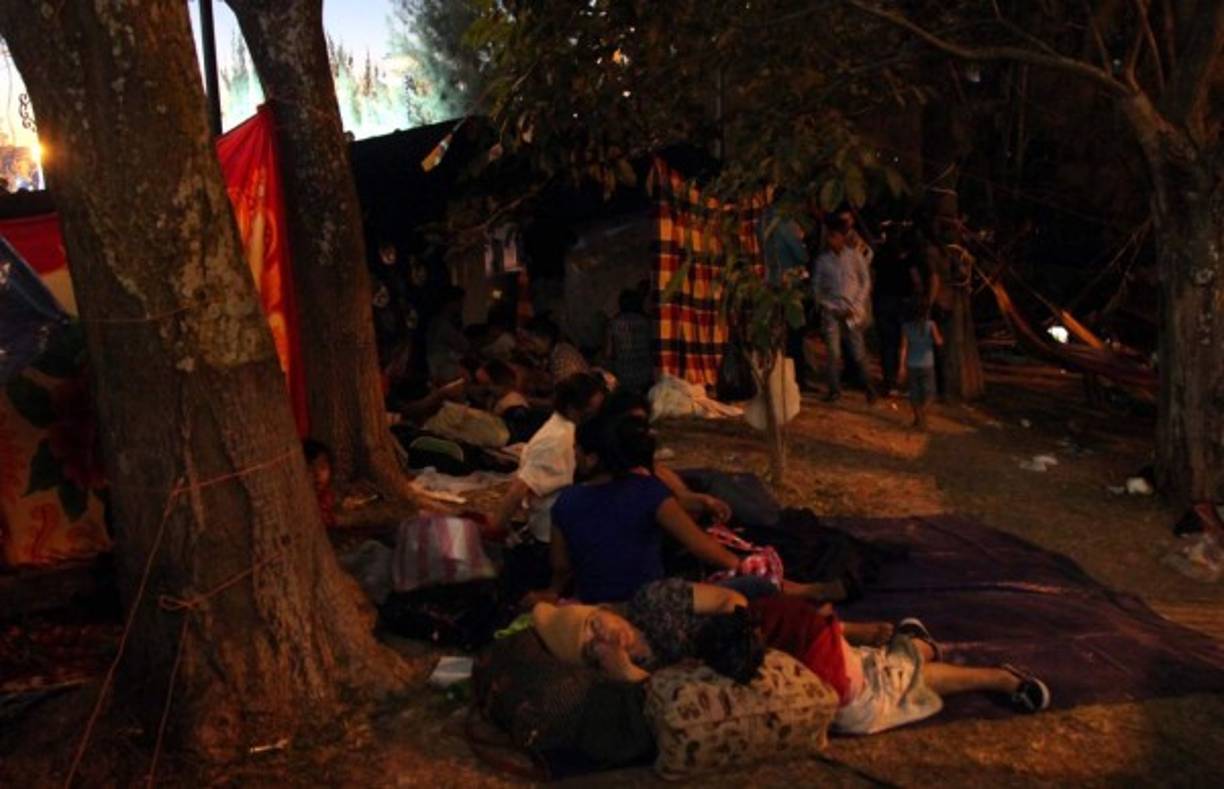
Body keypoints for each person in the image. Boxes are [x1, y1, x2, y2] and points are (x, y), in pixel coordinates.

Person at [531, 580, 1051, 735]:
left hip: (780, 635)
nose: (602, 636)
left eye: (594, 623)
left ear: (604, 609)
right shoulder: (643, 672)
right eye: (589, 645)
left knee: (860, 709)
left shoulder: (651, 600)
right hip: (775, 665)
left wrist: (731, 637)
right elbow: (673, 705)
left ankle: (997, 677)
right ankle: (910, 647)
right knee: (876, 677)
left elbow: (730, 600)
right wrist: (627, 672)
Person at [534, 413, 846, 605]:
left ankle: (800, 592)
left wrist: (552, 592)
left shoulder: (568, 501)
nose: (574, 456)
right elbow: (702, 547)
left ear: (591, 458)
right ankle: (804, 597)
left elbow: (560, 568)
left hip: (596, 605)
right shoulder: (647, 492)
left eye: (575, 450)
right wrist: (741, 564)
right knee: (754, 584)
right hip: (654, 607)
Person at [488, 372, 607, 542]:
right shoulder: (556, 439)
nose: (596, 414)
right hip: (549, 534)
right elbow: (519, 489)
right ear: (573, 408)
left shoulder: (570, 430)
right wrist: (494, 529)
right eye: (592, 409)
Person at [813, 216, 877, 403]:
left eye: (834, 236)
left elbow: (865, 282)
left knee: (858, 353)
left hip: (853, 312)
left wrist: (856, 305)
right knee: (833, 353)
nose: (831, 241)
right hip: (832, 312)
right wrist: (830, 307)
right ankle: (834, 390)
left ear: (841, 237)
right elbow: (817, 288)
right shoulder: (823, 261)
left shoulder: (855, 256)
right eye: (829, 237)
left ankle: (869, 388)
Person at [898, 298, 944, 430]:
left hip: (912, 364)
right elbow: (938, 342)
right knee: (930, 394)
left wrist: (901, 367)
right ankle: (921, 416)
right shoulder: (930, 325)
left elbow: (903, 347)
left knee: (915, 394)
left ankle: (918, 419)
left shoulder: (906, 327)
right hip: (927, 364)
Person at [605, 289, 654, 395]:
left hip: (623, 376)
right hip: (645, 374)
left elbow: (608, 353)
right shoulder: (647, 323)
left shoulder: (614, 323)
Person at [522, 316, 589, 384]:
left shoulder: (562, 358)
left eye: (531, 342)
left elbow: (562, 390)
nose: (529, 347)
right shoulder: (559, 349)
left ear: (546, 339)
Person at [425, 285, 471, 384]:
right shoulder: (442, 325)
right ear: (451, 303)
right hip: (442, 369)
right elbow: (464, 346)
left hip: (438, 368)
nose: (461, 306)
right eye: (460, 302)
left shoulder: (438, 322)